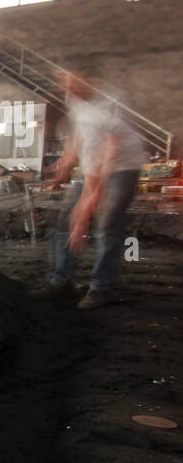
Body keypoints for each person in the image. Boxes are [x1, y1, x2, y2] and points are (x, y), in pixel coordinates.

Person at [46, 74, 147, 309]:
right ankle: (60, 280)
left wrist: (83, 213)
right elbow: (80, 133)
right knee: (65, 220)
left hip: (121, 165)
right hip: (93, 164)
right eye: (64, 81)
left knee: (106, 222)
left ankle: (103, 287)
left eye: (72, 80)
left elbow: (104, 166)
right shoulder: (77, 99)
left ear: (90, 78)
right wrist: (67, 161)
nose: (66, 87)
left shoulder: (112, 103)